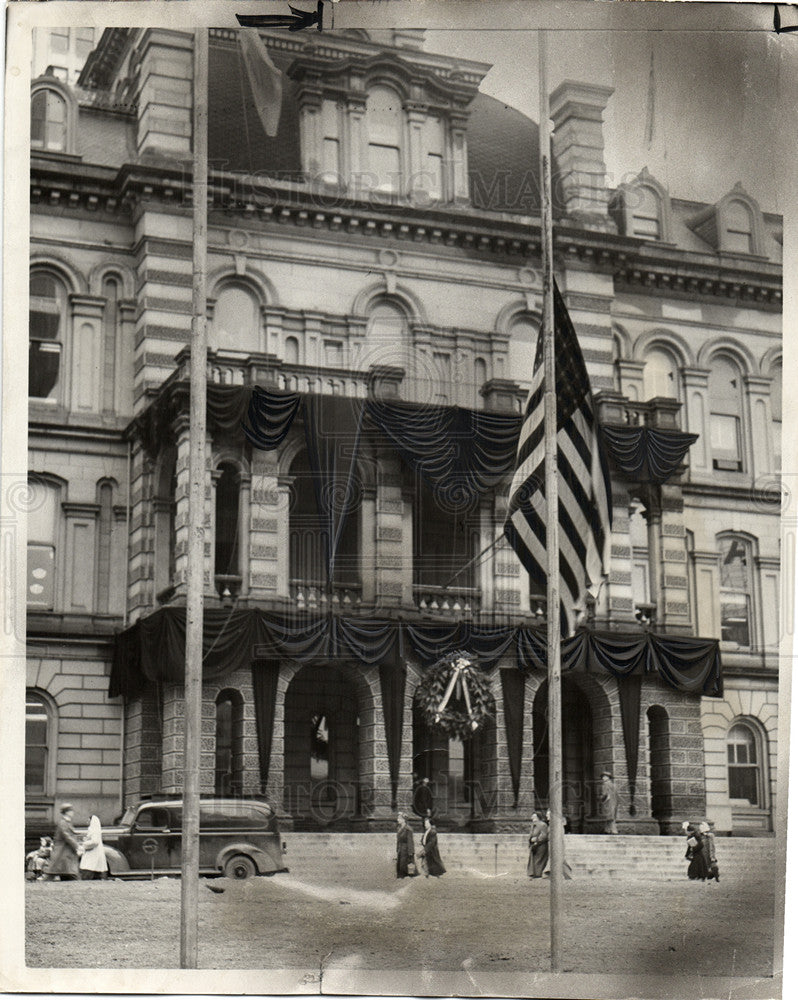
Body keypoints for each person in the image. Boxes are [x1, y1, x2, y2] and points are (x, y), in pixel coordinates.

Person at [45, 804, 82, 881]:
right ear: (67, 812)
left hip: (65, 852)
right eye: (71, 811)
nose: (73, 812)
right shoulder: (63, 823)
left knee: (64, 871)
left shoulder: (66, 822)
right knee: (59, 871)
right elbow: (67, 836)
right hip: (62, 851)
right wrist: (77, 846)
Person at [545, 809, 573, 880]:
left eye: (548, 815)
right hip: (552, 843)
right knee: (559, 859)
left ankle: (550, 874)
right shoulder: (552, 824)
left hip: (556, 844)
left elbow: (559, 835)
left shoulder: (557, 824)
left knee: (557, 859)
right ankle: (567, 874)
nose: (546, 816)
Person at [80, 814, 109, 880]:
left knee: (88, 870)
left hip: (92, 854)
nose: (87, 822)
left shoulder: (93, 830)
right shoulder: (95, 830)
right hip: (95, 854)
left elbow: (95, 842)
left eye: (89, 820)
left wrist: (84, 844)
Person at [526, 812, 549, 878]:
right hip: (534, 845)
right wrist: (530, 840)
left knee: (539, 860)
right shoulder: (533, 825)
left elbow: (544, 835)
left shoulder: (542, 825)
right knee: (534, 859)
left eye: (534, 816)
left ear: (538, 817)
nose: (532, 818)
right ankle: (533, 873)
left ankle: (538, 873)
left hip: (540, 845)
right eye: (532, 816)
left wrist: (536, 840)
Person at [395, 812, 417, 879]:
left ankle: (405, 875)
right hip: (400, 848)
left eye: (399, 818)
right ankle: (401, 875)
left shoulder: (408, 829)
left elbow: (410, 841)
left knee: (404, 863)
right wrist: (397, 848)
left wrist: (411, 852)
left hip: (406, 849)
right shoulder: (399, 828)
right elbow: (398, 840)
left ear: (403, 820)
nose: (397, 820)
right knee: (400, 863)